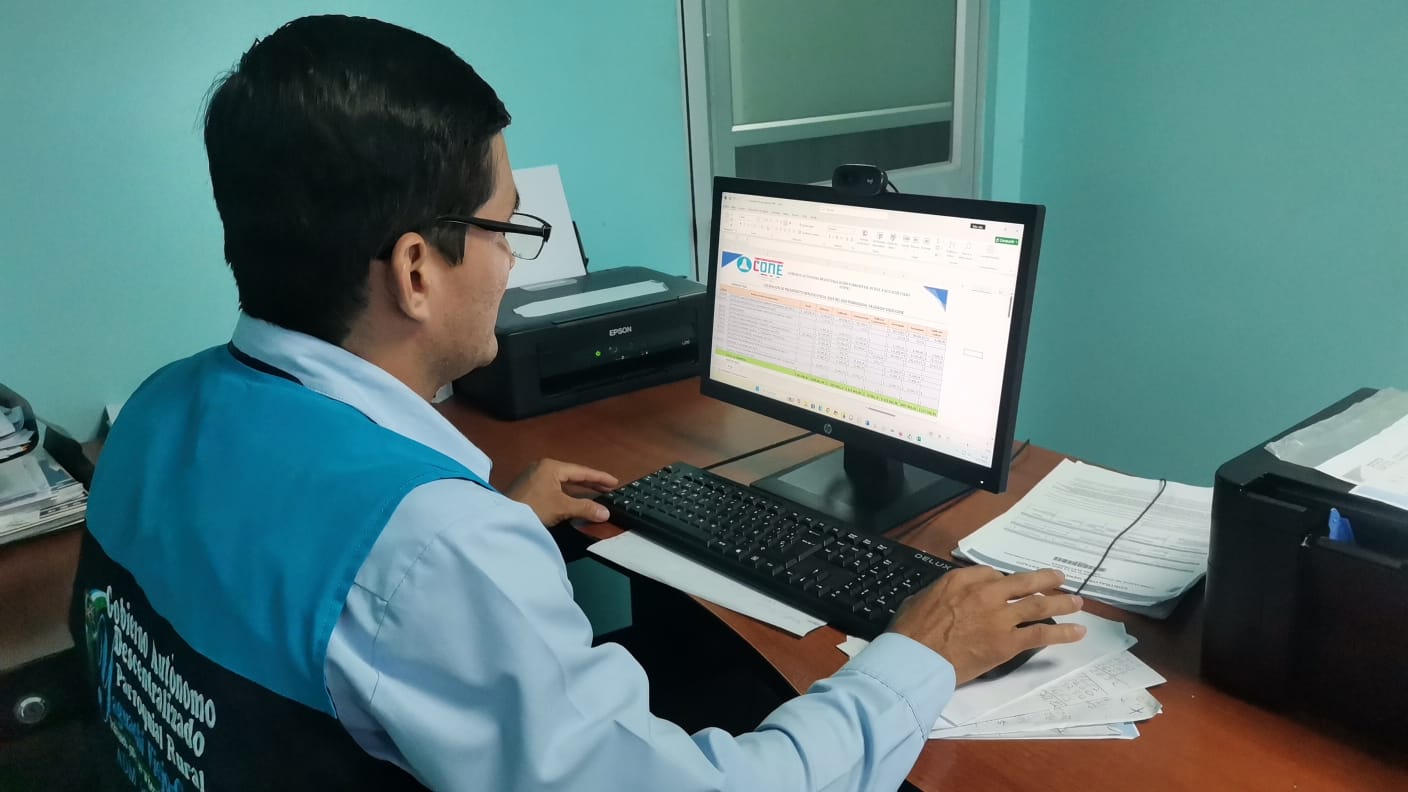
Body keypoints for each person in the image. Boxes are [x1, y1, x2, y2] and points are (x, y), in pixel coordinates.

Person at [72, 15, 1086, 792]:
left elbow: (286, 589)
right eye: (507, 229)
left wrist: (495, 528)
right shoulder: (432, 549)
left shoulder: (156, 411)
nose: (512, 265)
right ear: (416, 271)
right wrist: (918, 658)